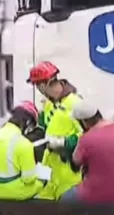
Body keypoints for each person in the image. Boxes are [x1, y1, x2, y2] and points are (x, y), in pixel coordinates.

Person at [27, 61, 84, 200]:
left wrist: (64, 143)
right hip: (49, 169)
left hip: (68, 172)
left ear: (43, 85)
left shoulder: (75, 103)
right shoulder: (49, 104)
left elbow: (87, 137)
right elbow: (43, 128)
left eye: (37, 86)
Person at [60, 100, 114, 204]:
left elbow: (75, 163)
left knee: (65, 199)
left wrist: (66, 149)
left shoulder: (86, 139)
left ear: (84, 121)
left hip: (96, 196)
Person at [0, 101, 45, 200]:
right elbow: (28, 179)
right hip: (13, 193)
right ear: (28, 123)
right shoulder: (24, 144)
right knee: (41, 180)